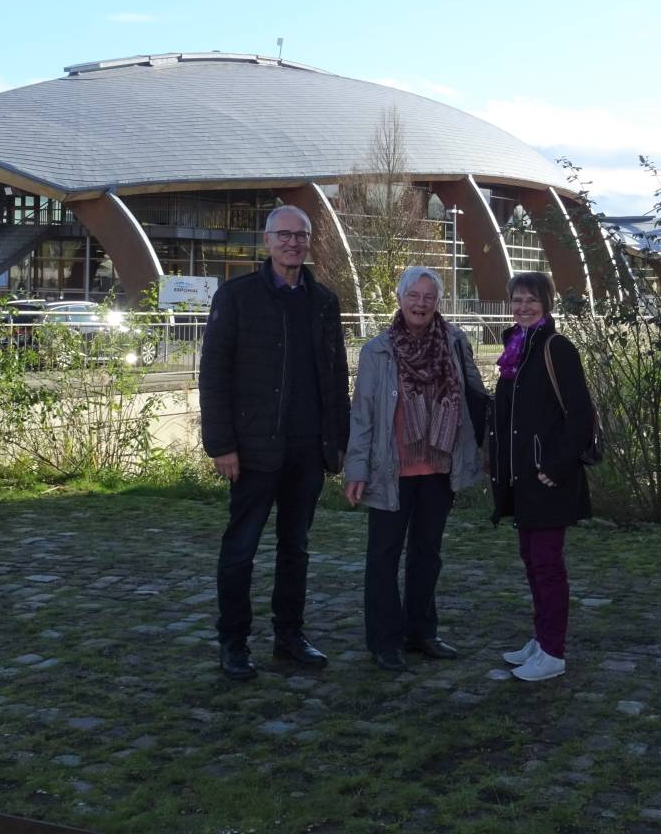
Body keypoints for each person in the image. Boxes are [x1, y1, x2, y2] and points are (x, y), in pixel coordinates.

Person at [200, 204, 351, 682]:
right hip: (253, 448)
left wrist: (339, 443)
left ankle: (289, 636)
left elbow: (335, 375)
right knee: (241, 548)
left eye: (300, 236)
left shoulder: (324, 301)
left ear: (309, 243)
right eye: (283, 235)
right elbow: (214, 374)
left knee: (295, 548)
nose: (292, 243)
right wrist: (221, 444)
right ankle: (234, 642)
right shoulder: (238, 296)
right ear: (266, 241)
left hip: (306, 449)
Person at [344, 266, 488, 672]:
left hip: (439, 467)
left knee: (428, 555)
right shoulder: (378, 350)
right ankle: (384, 640)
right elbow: (364, 415)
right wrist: (356, 469)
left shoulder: (456, 343)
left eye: (429, 297)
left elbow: (476, 397)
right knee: (384, 556)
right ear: (400, 299)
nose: (421, 304)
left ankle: (421, 632)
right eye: (414, 296)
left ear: (438, 302)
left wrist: (488, 445)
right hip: (390, 469)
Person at [488, 271, 594, 682]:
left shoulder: (556, 347)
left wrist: (554, 467)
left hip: (548, 478)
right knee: (532, 561)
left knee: (548, 565)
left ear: (546, 304)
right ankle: (541, 638)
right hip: (523, 478)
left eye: (532, 299)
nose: (523, 306)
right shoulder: (516, 347)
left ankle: (553, 651)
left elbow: (580, 415)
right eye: (517, 299)